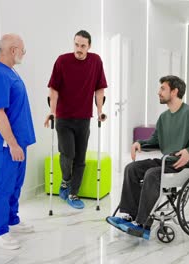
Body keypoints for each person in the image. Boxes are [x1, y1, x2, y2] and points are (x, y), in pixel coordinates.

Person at [106, 75, 189, 240]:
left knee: (152, 174)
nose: (158, 92)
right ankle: (130, 216)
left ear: (174, 91)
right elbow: (155, 141)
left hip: (186, 165)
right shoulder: (164, 117)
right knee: (132, 168)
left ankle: (143, 225)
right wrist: (140, 144)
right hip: (169, 162)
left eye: (163, 89)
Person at [44, 30, 107, 209]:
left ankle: (73, 193)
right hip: (64, 117)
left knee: (80, 158)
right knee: (68, 154)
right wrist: (52, 111)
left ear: (89, 46)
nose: (79, 49)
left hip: (84, 118)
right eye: (76, 45)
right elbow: (53, 89)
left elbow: (100, 88)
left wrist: (100, 110)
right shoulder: (62, 60)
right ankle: (65, 182)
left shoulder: (96, 61)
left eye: (83, 46)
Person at [0, 33, 36, 250]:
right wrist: (13, 144)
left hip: (19, 141)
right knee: (3, 186)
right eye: (22, 50)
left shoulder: (10, 71)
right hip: (8, 144)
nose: (24, 53)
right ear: (13, 50)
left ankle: (11, 220)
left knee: (16, 184)